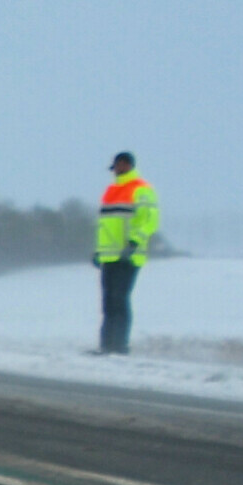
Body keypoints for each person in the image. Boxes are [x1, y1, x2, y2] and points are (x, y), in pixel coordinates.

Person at [95, 151, 159, 355]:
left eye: (120, 165)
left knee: (120, 299)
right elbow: (105, 226)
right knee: (108, 302)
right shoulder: (111, 191)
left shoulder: (141, 189)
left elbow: (149, 221)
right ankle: (106, 346)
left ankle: (120, 346)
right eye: (115, 166)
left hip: (129, 256)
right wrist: (99, 251)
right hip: (109, 256)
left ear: (128, 165)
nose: (117, 169)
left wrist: (134, 242)